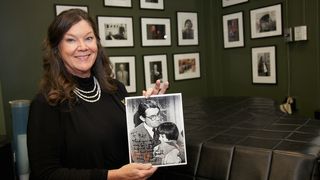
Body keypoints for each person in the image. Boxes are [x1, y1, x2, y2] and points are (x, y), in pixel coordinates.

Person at [27, 9, 169, 180]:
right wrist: (113, 176)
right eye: (71, 40)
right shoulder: (47, 103)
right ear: (57, 48)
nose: (83, 47)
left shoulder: (116, 89)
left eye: (89, 38)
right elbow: (46, 174)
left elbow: (133, 142)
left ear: (97, 43)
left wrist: (151, 106)